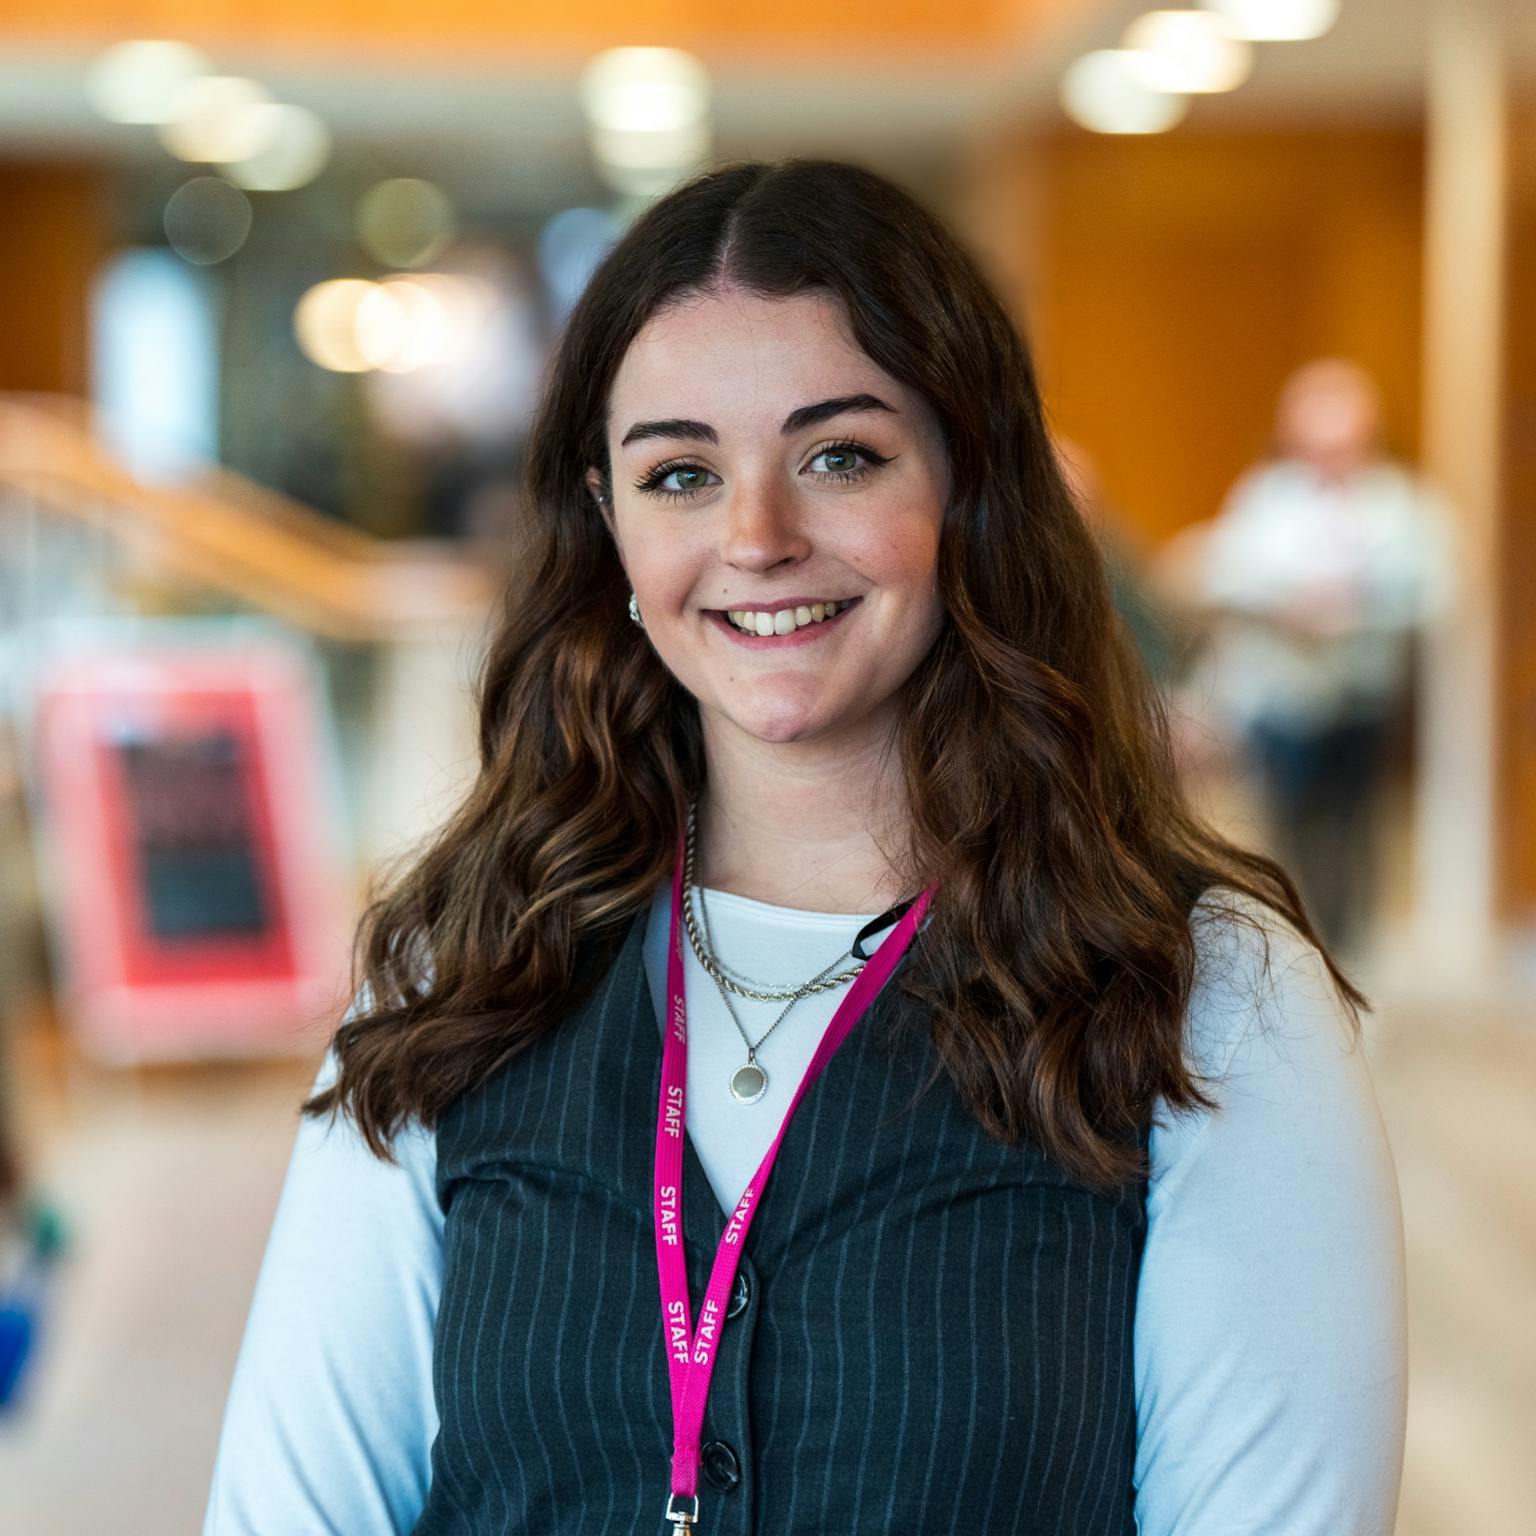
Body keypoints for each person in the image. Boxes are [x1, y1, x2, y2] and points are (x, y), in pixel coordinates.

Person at [203, 160, 1407, 1535]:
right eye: (680, 473)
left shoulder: (1214, 998)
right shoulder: (457, 966)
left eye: (840, 455)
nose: (756, 537)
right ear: (608, 524)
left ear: (970, 484)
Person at [1184, 358, 1454, 958]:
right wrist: (1286, 605)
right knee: (1293, 834)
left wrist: (1363, 604)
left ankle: (1354, 945)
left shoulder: (1402, 504)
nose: (1331, 460)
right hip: (1284, 704)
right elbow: (1226, 576)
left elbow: (1437, 591)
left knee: (1356, 831)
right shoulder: (1266, 498)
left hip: (1363, 701)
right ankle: (1305, 942)